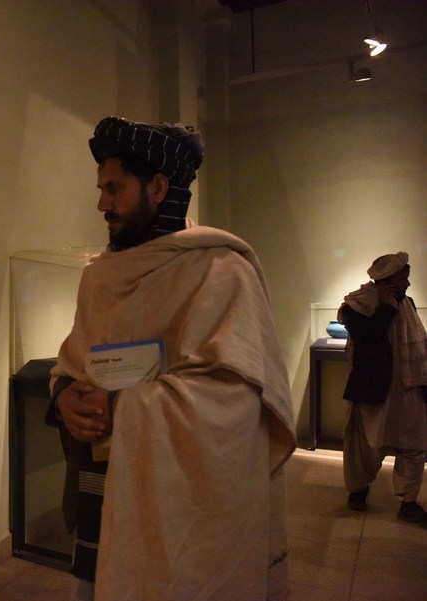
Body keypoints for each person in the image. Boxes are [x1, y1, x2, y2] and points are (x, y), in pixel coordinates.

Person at [47, 116, 296, 601]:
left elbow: (236, 401)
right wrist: (64, 399)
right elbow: (73, 362)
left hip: (183, 509)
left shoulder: (223, 272)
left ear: (158, 188)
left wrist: (122, 407)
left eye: (114, 189)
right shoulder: (100, 277)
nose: (101, 204)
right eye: (101, 189)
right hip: (103, 484)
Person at [338, 252, 427, 525]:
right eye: (403, 279)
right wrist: (386, 309)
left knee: (414, 444)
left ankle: (408, 502)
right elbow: (367, 341)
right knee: (368, 444)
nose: (408, 284)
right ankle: (359, 488)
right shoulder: (356, 306)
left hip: (408, 386)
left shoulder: (407, 303)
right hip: (374, 387)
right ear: (386, 281)